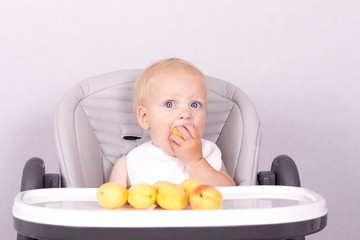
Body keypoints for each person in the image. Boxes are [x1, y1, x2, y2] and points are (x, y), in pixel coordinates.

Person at [109, 58, 235, 187]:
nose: (186, 114)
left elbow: (231, 194)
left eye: (195, 104)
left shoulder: (209, 152)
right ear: (145, 117)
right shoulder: (128, 164)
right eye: (169, 104)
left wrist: (195, 161)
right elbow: (111, 201)